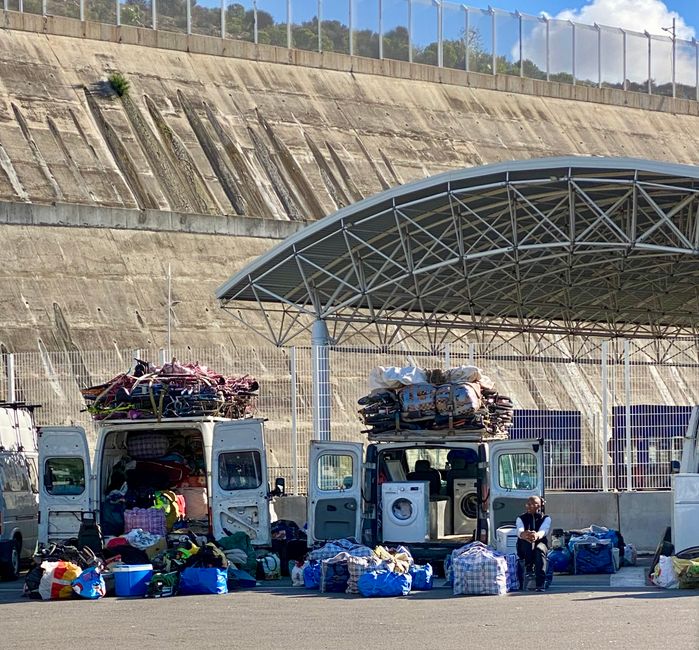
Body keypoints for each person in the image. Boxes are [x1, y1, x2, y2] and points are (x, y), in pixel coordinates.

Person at [515, 495, 551, 592]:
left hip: (540, 542)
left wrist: (536, 535)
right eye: (528, 504)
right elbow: (519, 531)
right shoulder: (521, 518)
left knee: (539, 549)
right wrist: (525, 535)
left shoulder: (546, 518)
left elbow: (544, 530)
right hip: (525, 545)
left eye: (533, 504)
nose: (529, 506)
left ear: (539, 506)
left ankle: (540, 583)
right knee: (527, 543)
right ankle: (529, 568)